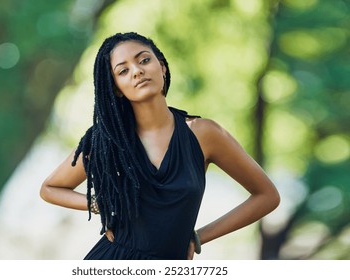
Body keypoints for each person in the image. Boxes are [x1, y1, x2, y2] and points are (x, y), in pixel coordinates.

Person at [40, 32, 280, 260]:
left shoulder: (204, 133)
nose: (137, 71)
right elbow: (50, 188)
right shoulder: (106, 140)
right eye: (123, 71)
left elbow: (267, 196)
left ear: (162, 66)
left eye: (144, 60)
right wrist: (99, 204)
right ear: (116, 88)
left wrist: (199, 237)